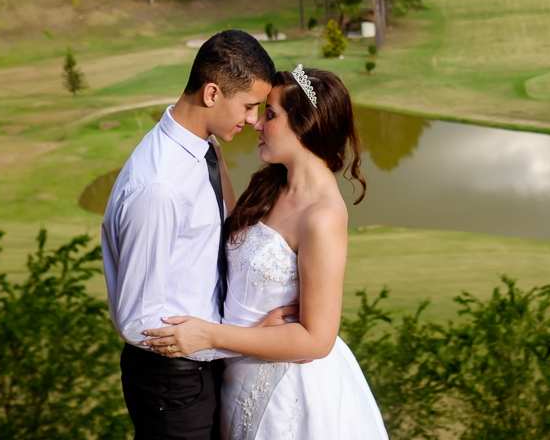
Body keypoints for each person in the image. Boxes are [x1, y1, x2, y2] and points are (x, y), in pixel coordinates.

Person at [143, 65, 388, 440]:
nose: (256, 123)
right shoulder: (273, 186)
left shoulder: (323, 216)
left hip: (287, 392)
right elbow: (235, 236)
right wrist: (215, 160)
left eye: (270, 114)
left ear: (306, 125)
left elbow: (317, 341)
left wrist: (213, 335)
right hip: (238, 374)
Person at [102, 30, 286, 440]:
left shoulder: (204, 148)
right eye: (249, 106)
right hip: (172, 383)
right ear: (212, 94)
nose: (253, 119)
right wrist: (243, 342)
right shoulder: (160, 189)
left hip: (201, 369)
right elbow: (140, 322)